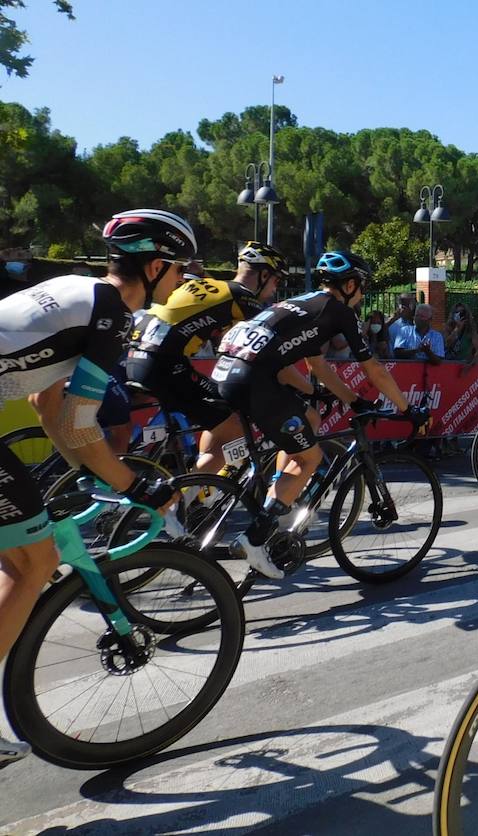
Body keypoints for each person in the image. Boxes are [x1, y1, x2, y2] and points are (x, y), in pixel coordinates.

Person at [0, 209, 193, 765]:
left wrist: (90, 469)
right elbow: (83, 425)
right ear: (155, 267)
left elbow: (47, 404)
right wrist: (137, 486)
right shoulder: (110, 314)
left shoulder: (75, 289)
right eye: (177, 270)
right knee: (32, 561)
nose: (179, 281)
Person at [213, 251, 426, 580]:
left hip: (227, 369)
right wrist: (407, 409)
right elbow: (375, 370)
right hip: (256, 379)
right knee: (308, 458)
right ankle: (255, 539)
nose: (364, 295)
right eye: (362, 287)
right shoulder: (339, 312)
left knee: (309, 418)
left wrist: (352, 400)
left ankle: (278, 505)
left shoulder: (305, 304)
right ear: (350, 284)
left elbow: (317, 367)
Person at [127, 241, 284, 475]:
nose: (275, 289)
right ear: (263, 275)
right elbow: (269, 347)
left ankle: (198, 480)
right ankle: (193, 498)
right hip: (164, 364)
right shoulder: (242, 297)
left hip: (137, 356)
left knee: (219, 408)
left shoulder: (208, 286)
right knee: (234, 427)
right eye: (276, 281)